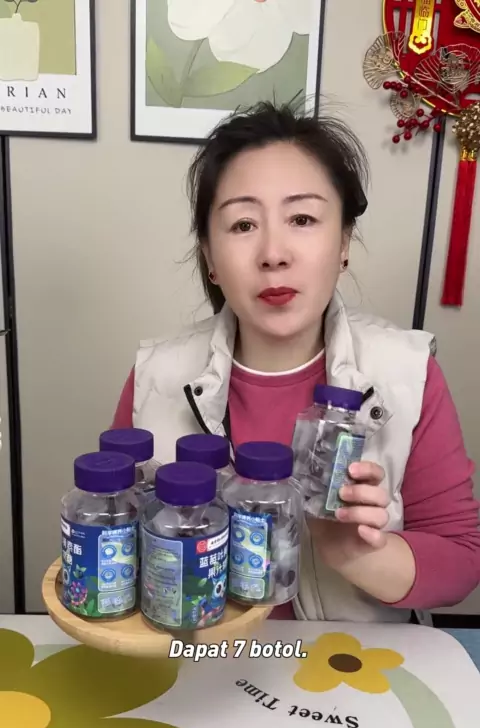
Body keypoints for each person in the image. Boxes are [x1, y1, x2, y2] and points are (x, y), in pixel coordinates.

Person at [112, 100, 480, 624]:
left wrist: (355, 553)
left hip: (344, 664)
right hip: (193, 655)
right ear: (210, 257)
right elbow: (112, 534)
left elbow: (462, 560)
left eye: (302, 218)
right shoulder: (156, 375)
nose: (273, 253)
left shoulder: (406, 373)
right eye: (243, 224)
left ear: (344, 242)